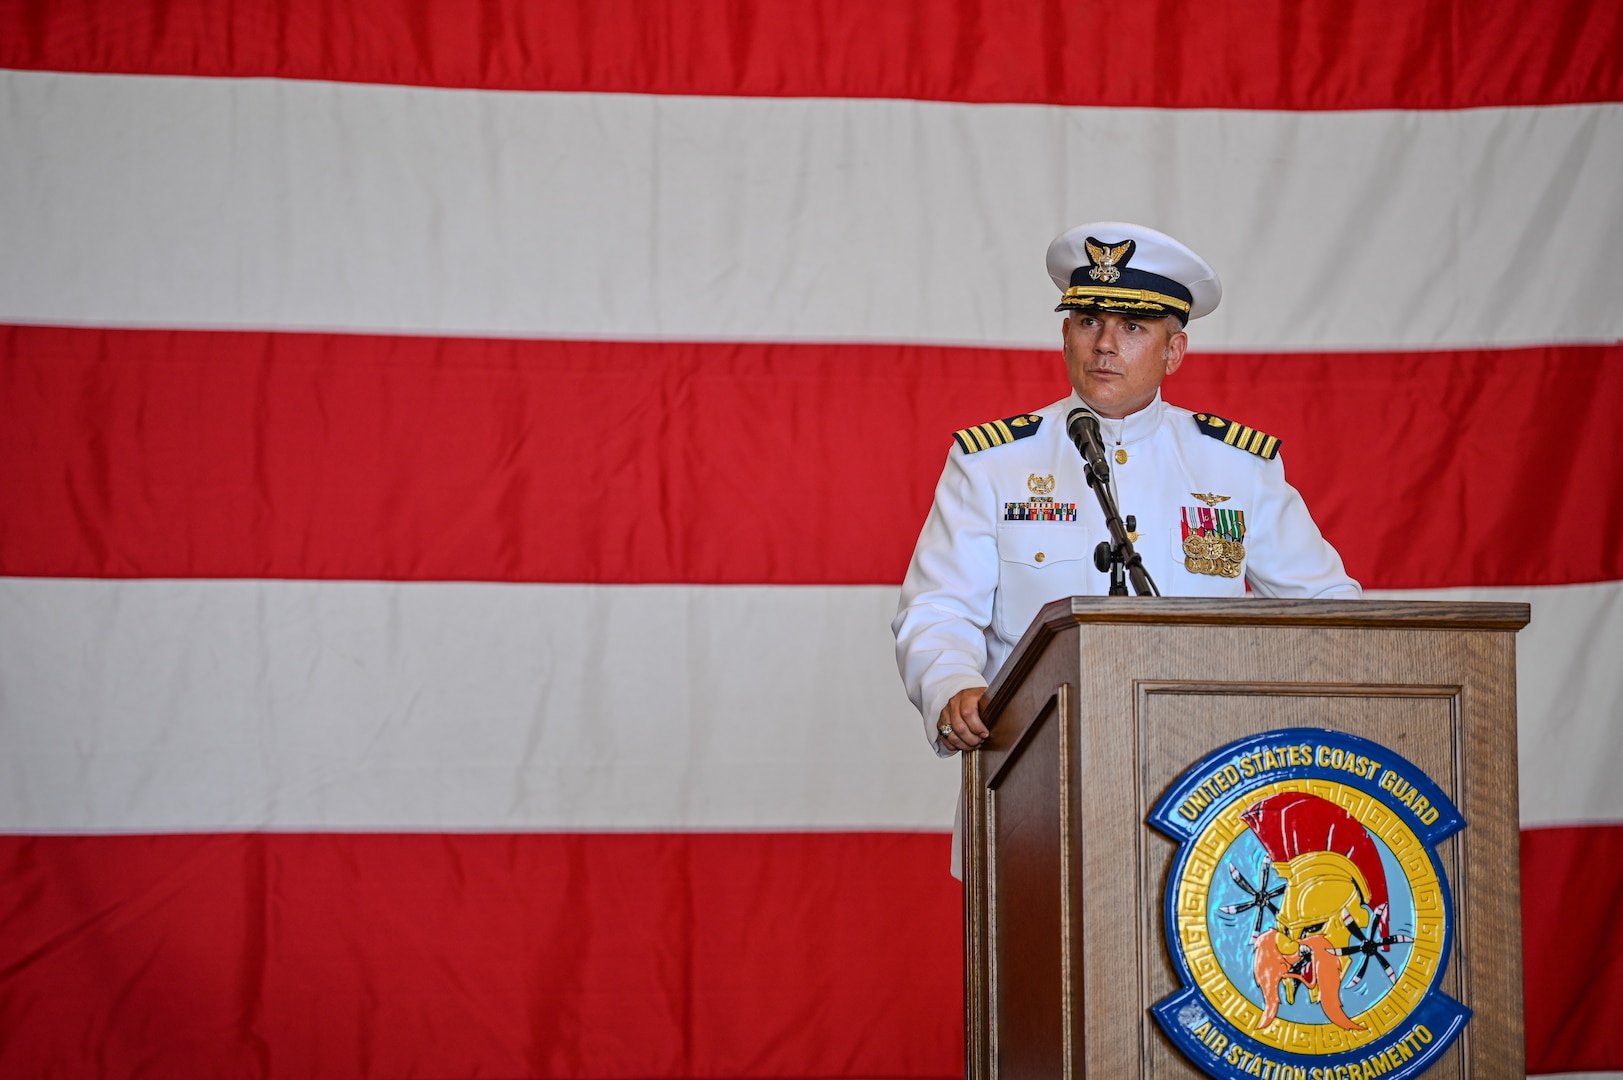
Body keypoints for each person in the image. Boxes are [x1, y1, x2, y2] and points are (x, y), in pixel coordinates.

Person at [893, 221, 1360, 787]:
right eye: (1090, 321)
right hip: (1033, 773)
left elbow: (1330, 613)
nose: (1105, 344)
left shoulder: (1238, 467)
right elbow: (937, 611)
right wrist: (951, 686)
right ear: (1065, 335)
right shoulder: (992, 463)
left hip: (1207, 775)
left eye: (1133, 326)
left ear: (1174, 351)